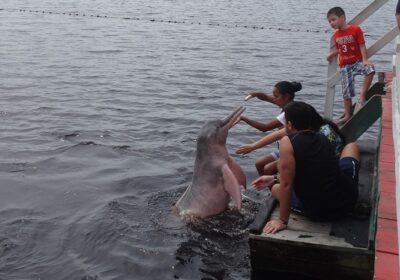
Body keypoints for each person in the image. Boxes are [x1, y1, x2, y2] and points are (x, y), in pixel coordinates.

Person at [251, 101, 359, 234]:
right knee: (351, 147)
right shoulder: (322, 137)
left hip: (319, 211)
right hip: (348, 201)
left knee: (275, 189)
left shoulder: (288, 142)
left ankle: (284, 206)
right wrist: (274, 177)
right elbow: (317, 169)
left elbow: (286, 185)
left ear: (289, 125)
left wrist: (282, 221)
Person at [236, 106, 345, 175]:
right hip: (305, 153)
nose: (285, 126)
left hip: (319, 161)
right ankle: (270, 187)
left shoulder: (317, 135)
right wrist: (252, 146)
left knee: (269, 168)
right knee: (260, 163)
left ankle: (279, 194)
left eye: (287, 122)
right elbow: (276, 134)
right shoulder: (307, 125)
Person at [235, 81, 302, 174]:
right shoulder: (290, 104)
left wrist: (243, 118)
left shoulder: (288, 113)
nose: (273, 99)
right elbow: (266, 97)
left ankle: (273, 183)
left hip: (291, 150)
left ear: (286, 97)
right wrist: (257, 94)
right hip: (283, 148)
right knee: (260, 163)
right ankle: (269, 183)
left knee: (266, 167)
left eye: (276, 96)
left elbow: (265, 128)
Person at [326, 7, 375, 125]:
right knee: (346, 92)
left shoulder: (355, 29)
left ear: (342, 18)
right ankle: (347, 115)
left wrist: (364, 60)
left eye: (333, 20)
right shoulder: (336, 35)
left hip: (357, 62)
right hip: (345, 66)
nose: (331, 23)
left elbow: (362, 45)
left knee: (370, 69)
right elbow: (342, 48)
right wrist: (333, 53)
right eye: (329, 21)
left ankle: (362, 96)